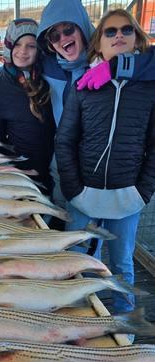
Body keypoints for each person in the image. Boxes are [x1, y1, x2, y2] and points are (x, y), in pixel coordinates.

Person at [55, 8, 155, 314]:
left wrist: (143, 192)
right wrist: (74, 190)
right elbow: (65, 140)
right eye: (110, 31)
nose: (119, 36)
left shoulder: (150, 88)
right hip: (84, 195)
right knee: (73, 261)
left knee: (122, 264)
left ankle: (127, 330)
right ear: (98, 42)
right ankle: (76, 320)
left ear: (137, 38)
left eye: (127, 30)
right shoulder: (84, 86)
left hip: (128, 196)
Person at [36, 0, 155, 224]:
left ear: (82, 28)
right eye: (54, 36)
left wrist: (118, 66)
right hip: (68, 178)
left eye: (69, 29)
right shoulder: (48, 65)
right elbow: (20, 56)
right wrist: (2, 78)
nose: (63, 38)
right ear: (50, 44)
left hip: (117, 180)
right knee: (75, 242)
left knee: (113, 248)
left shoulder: (109, 61)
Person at [0, 18, 56, 196]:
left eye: (31, 46)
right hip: (22, 169)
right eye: (17, 45)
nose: (23, 51)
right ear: (9, 47)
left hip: (55, 165)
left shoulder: (49, 79)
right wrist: (5, 171)